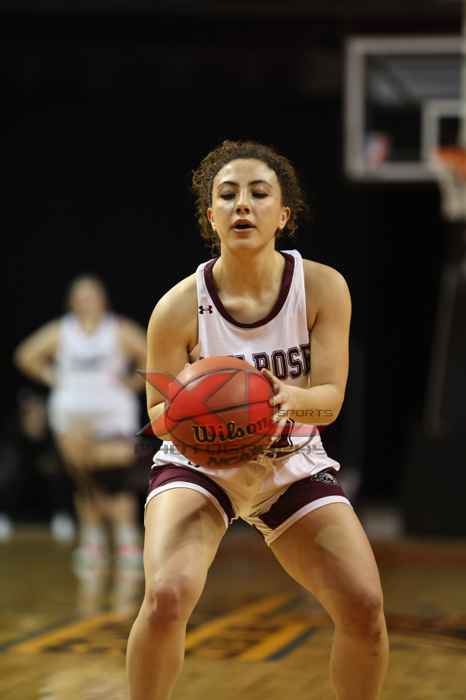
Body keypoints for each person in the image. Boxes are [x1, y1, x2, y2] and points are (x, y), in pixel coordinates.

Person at [126, 140, 389, 700]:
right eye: (228, 195)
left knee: (364, 606)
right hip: (201, 466)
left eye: (258, 193)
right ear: (211, 217)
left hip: (289, 460)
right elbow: (157, 413)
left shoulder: (322, 288)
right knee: (166, 597)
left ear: (283, 215)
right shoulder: (177, 307)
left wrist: (279, 400)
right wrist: (196, 410)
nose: (242, 203)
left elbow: (330, 399)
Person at [14, 275, 147, 575]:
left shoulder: (118, 330)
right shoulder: (62, 331)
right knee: (85, 481)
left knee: (116, 480)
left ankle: (127, 539)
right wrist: (52, 377)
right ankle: (93, 540)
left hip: (113, 414)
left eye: (91, 295)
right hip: (71, 415)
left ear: (103, 299)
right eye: (80, 296)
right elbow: (25, 355)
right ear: (71, 301)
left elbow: (150, 356)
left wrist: (130, 383)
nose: (86, 301)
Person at [0, 388, 75, 542]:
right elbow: (10, 458)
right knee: (7, 473)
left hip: (47, 464)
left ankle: (62, 516)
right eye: (30, 413)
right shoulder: (13, 434)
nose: (35, 417)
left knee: (58, 473)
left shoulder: (54, 432)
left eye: (39, 412)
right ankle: (3, 515)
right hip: (20, 466)